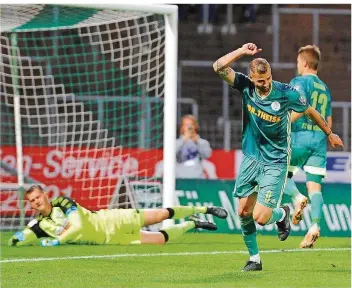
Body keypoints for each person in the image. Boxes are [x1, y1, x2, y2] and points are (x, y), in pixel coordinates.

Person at [213, 43, 344, 272]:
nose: (264, 85)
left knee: (261, 218)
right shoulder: (245, 86)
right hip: (252, 158)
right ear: (252, 78)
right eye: (260, 81)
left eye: (268, 79)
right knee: (243, 212)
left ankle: (281, 213)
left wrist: (329, 133)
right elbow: (218, 66)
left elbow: (309, 109)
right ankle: (255, 259)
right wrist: (242, 51)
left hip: (276, 160)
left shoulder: (285, 93)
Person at [8, 184, 228, 247]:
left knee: (160, 215)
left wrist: (58, 241)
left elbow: (78, 227)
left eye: (38, 197)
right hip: (110, 238)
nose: (37, 202)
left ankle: (205, 209)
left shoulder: (63, 203)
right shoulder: (40, 224)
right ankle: (192, 224)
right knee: (160, 239)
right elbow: (26, 235)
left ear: (45, 195)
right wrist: (17, 238)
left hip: (113, 219)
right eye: (33, 201)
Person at [283, 45, 333, 248]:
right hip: (319, 141)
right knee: (315, 188)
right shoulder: (325, 88)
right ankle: (314, 227)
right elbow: (328, 120)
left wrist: (282, 124)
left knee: (279, 173)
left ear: (304, 63)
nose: (297, 66)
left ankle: (296, 197)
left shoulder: (299, 81)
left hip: (299, 138)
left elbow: (301, 106)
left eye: (297, 62)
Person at [175, 115, 212, 179]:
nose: (189, 127)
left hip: (198, 178)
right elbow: (169, 153)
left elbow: (207, 155)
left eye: (191, 124)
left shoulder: (203, 142)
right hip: (179, 178)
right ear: (182, 127)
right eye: (186, 125)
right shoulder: (176, 142)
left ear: (195, 126)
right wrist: (183, 140)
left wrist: (197, 141)